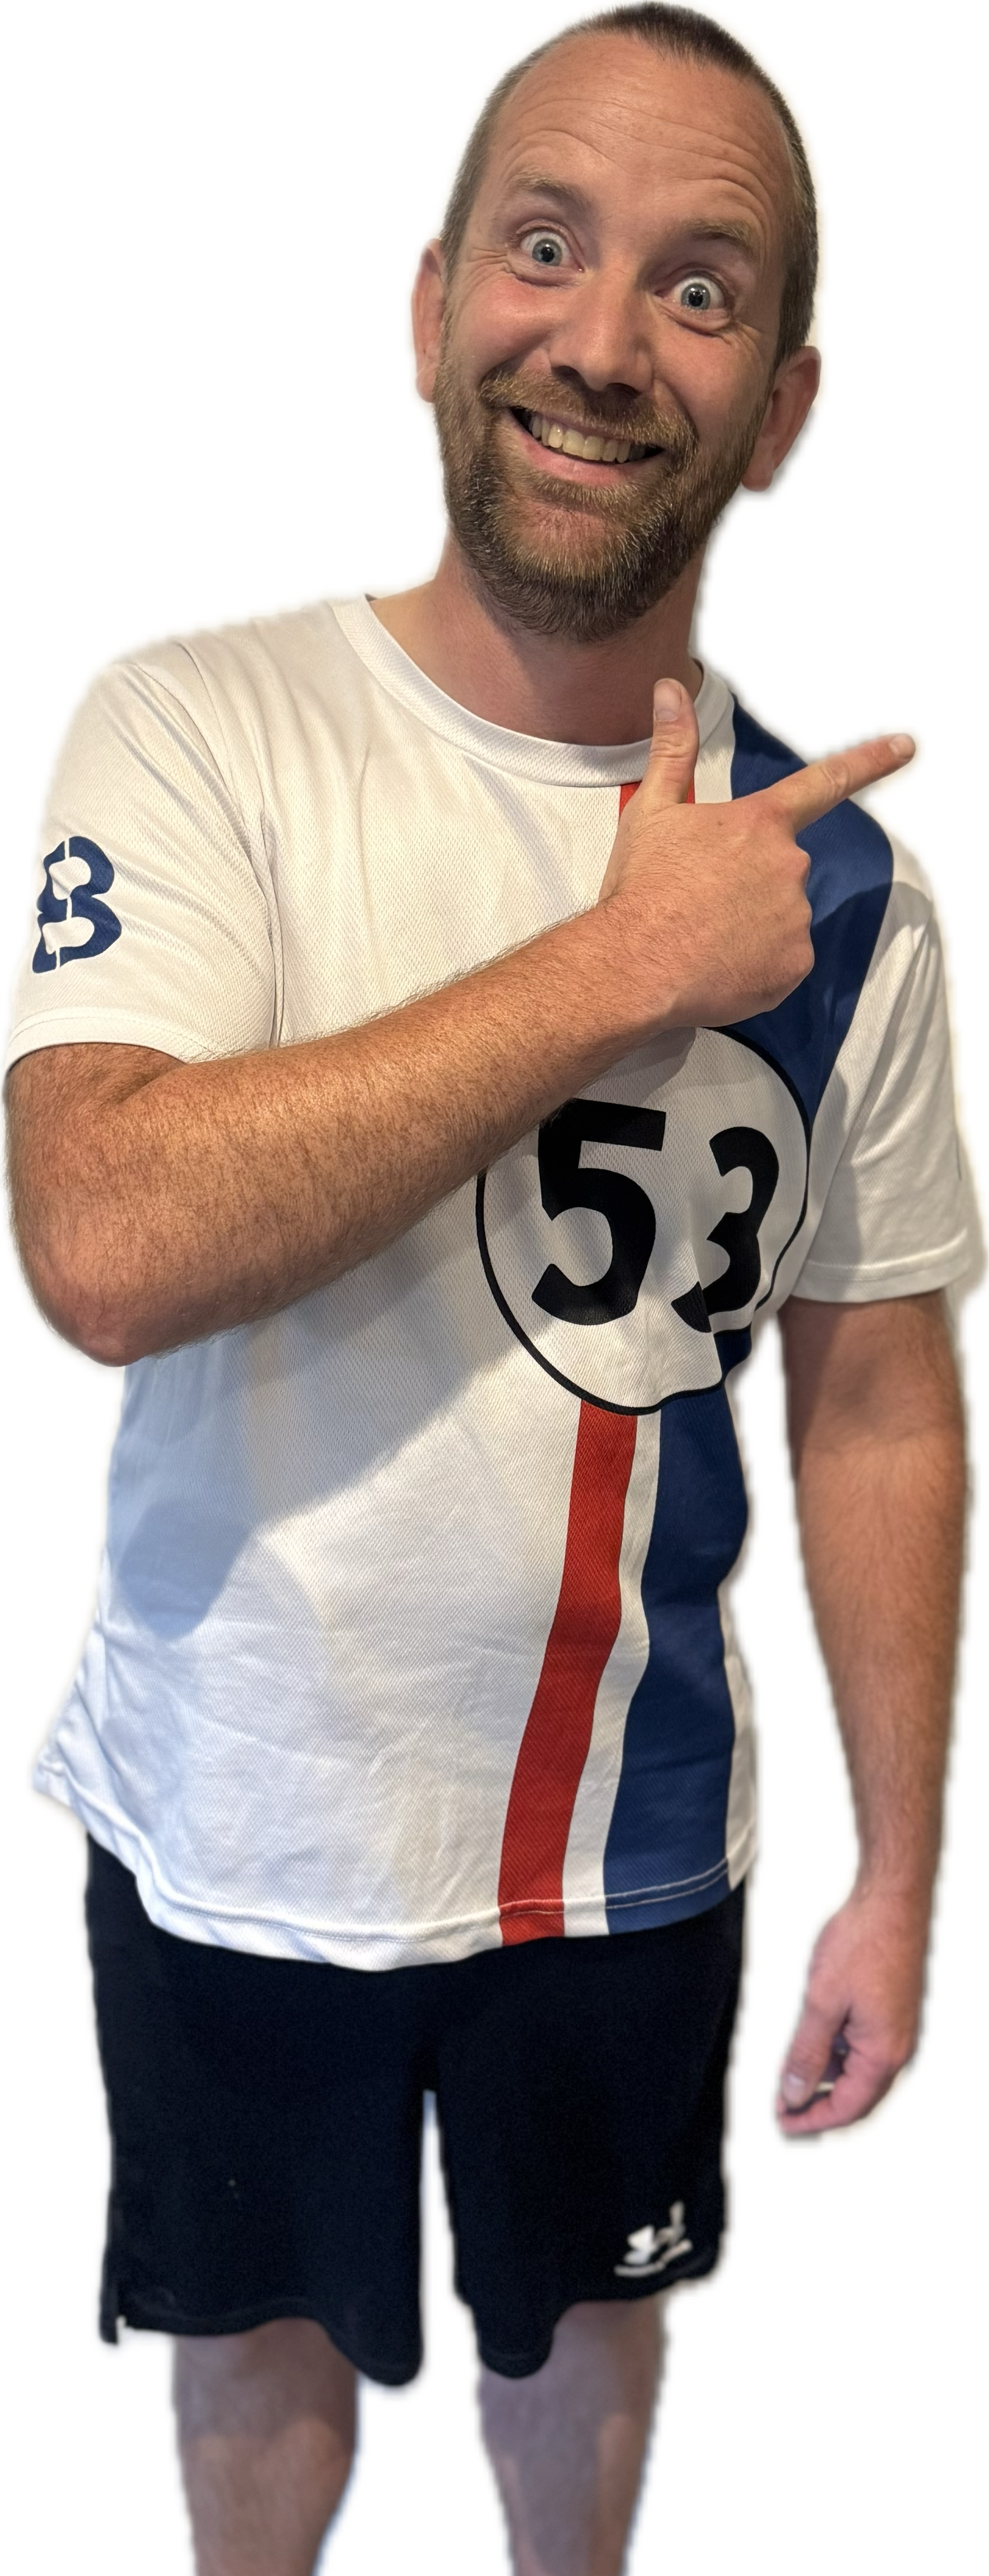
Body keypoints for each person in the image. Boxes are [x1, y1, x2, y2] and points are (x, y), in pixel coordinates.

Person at [2, 6, 981, 2573]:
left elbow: (878, 1390)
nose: (604, 336)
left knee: (584, 2384)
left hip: (639, 1851)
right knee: (254, 2403)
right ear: (434, 300)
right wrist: (605, 972)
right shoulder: (198, 719)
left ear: (782, 405)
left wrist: (899, 1860)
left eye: (702, 287)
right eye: (546, 247)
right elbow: (96, 1242)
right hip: (240, 1813)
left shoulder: (849, 890)